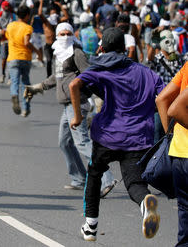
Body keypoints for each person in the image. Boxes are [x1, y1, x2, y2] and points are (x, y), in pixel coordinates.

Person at [69, 27, 164, 242]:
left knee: (94, 175)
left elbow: (75, 84)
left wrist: (77, 117)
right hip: (139, 138)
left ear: (104, 47)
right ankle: (144, 202)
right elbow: (163, 97)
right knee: (135, 183)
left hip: (108, 136)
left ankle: (90, 227)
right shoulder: (146, 72)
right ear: (124, 48)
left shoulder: (102, 69)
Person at [24, 22, 115, 194]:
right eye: (62, 34)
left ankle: (107, 179)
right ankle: (79, 178)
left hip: (77, 103)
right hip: (67, 105)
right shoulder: (59, 52)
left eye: (68, 34)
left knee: (81, 142)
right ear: (57, 35)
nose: (65, 37)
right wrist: (38, 87)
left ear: (73, 35)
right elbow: (56, 77)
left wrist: (96, 98)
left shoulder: (77, 52)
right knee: (65, 142)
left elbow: (90, 75)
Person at [156, 62, 188, 246]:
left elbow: (161, 99)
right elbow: (175, 108)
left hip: (178, 153)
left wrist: (170, 134)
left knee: (185, 214)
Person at [5, 5, 38, 117]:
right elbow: (26, 42)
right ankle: (26, 108)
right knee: (26, 83)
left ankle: (14, 95)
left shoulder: (10, 26)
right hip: (25, 58)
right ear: (27, 15)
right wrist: (37, 51)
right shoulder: (27, 27)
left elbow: (7, 37)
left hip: (13, 57)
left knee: (14, 81)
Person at [38, 0, 70, 77]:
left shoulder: (58, 21)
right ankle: (49, 77)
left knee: (59, 61)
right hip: (48, 45)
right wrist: (41, 3)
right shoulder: (46, 22)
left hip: (57, 44)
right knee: (49, 60)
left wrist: (60, 5)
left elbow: (66, 17)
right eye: (52, 13)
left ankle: (59, 76)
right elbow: (40, 14)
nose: (54, 15)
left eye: (55, 13)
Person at [0, 0, 17, 83]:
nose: (5, 7)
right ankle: (3, 74)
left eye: (7, 6)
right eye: (4, 6)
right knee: (4, 59)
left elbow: (15, 26)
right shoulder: (0, 15)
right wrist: (0, 31)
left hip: (11, 39)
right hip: (3, 40)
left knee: (10, 59)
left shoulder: (13, 16)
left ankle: (10, 77)